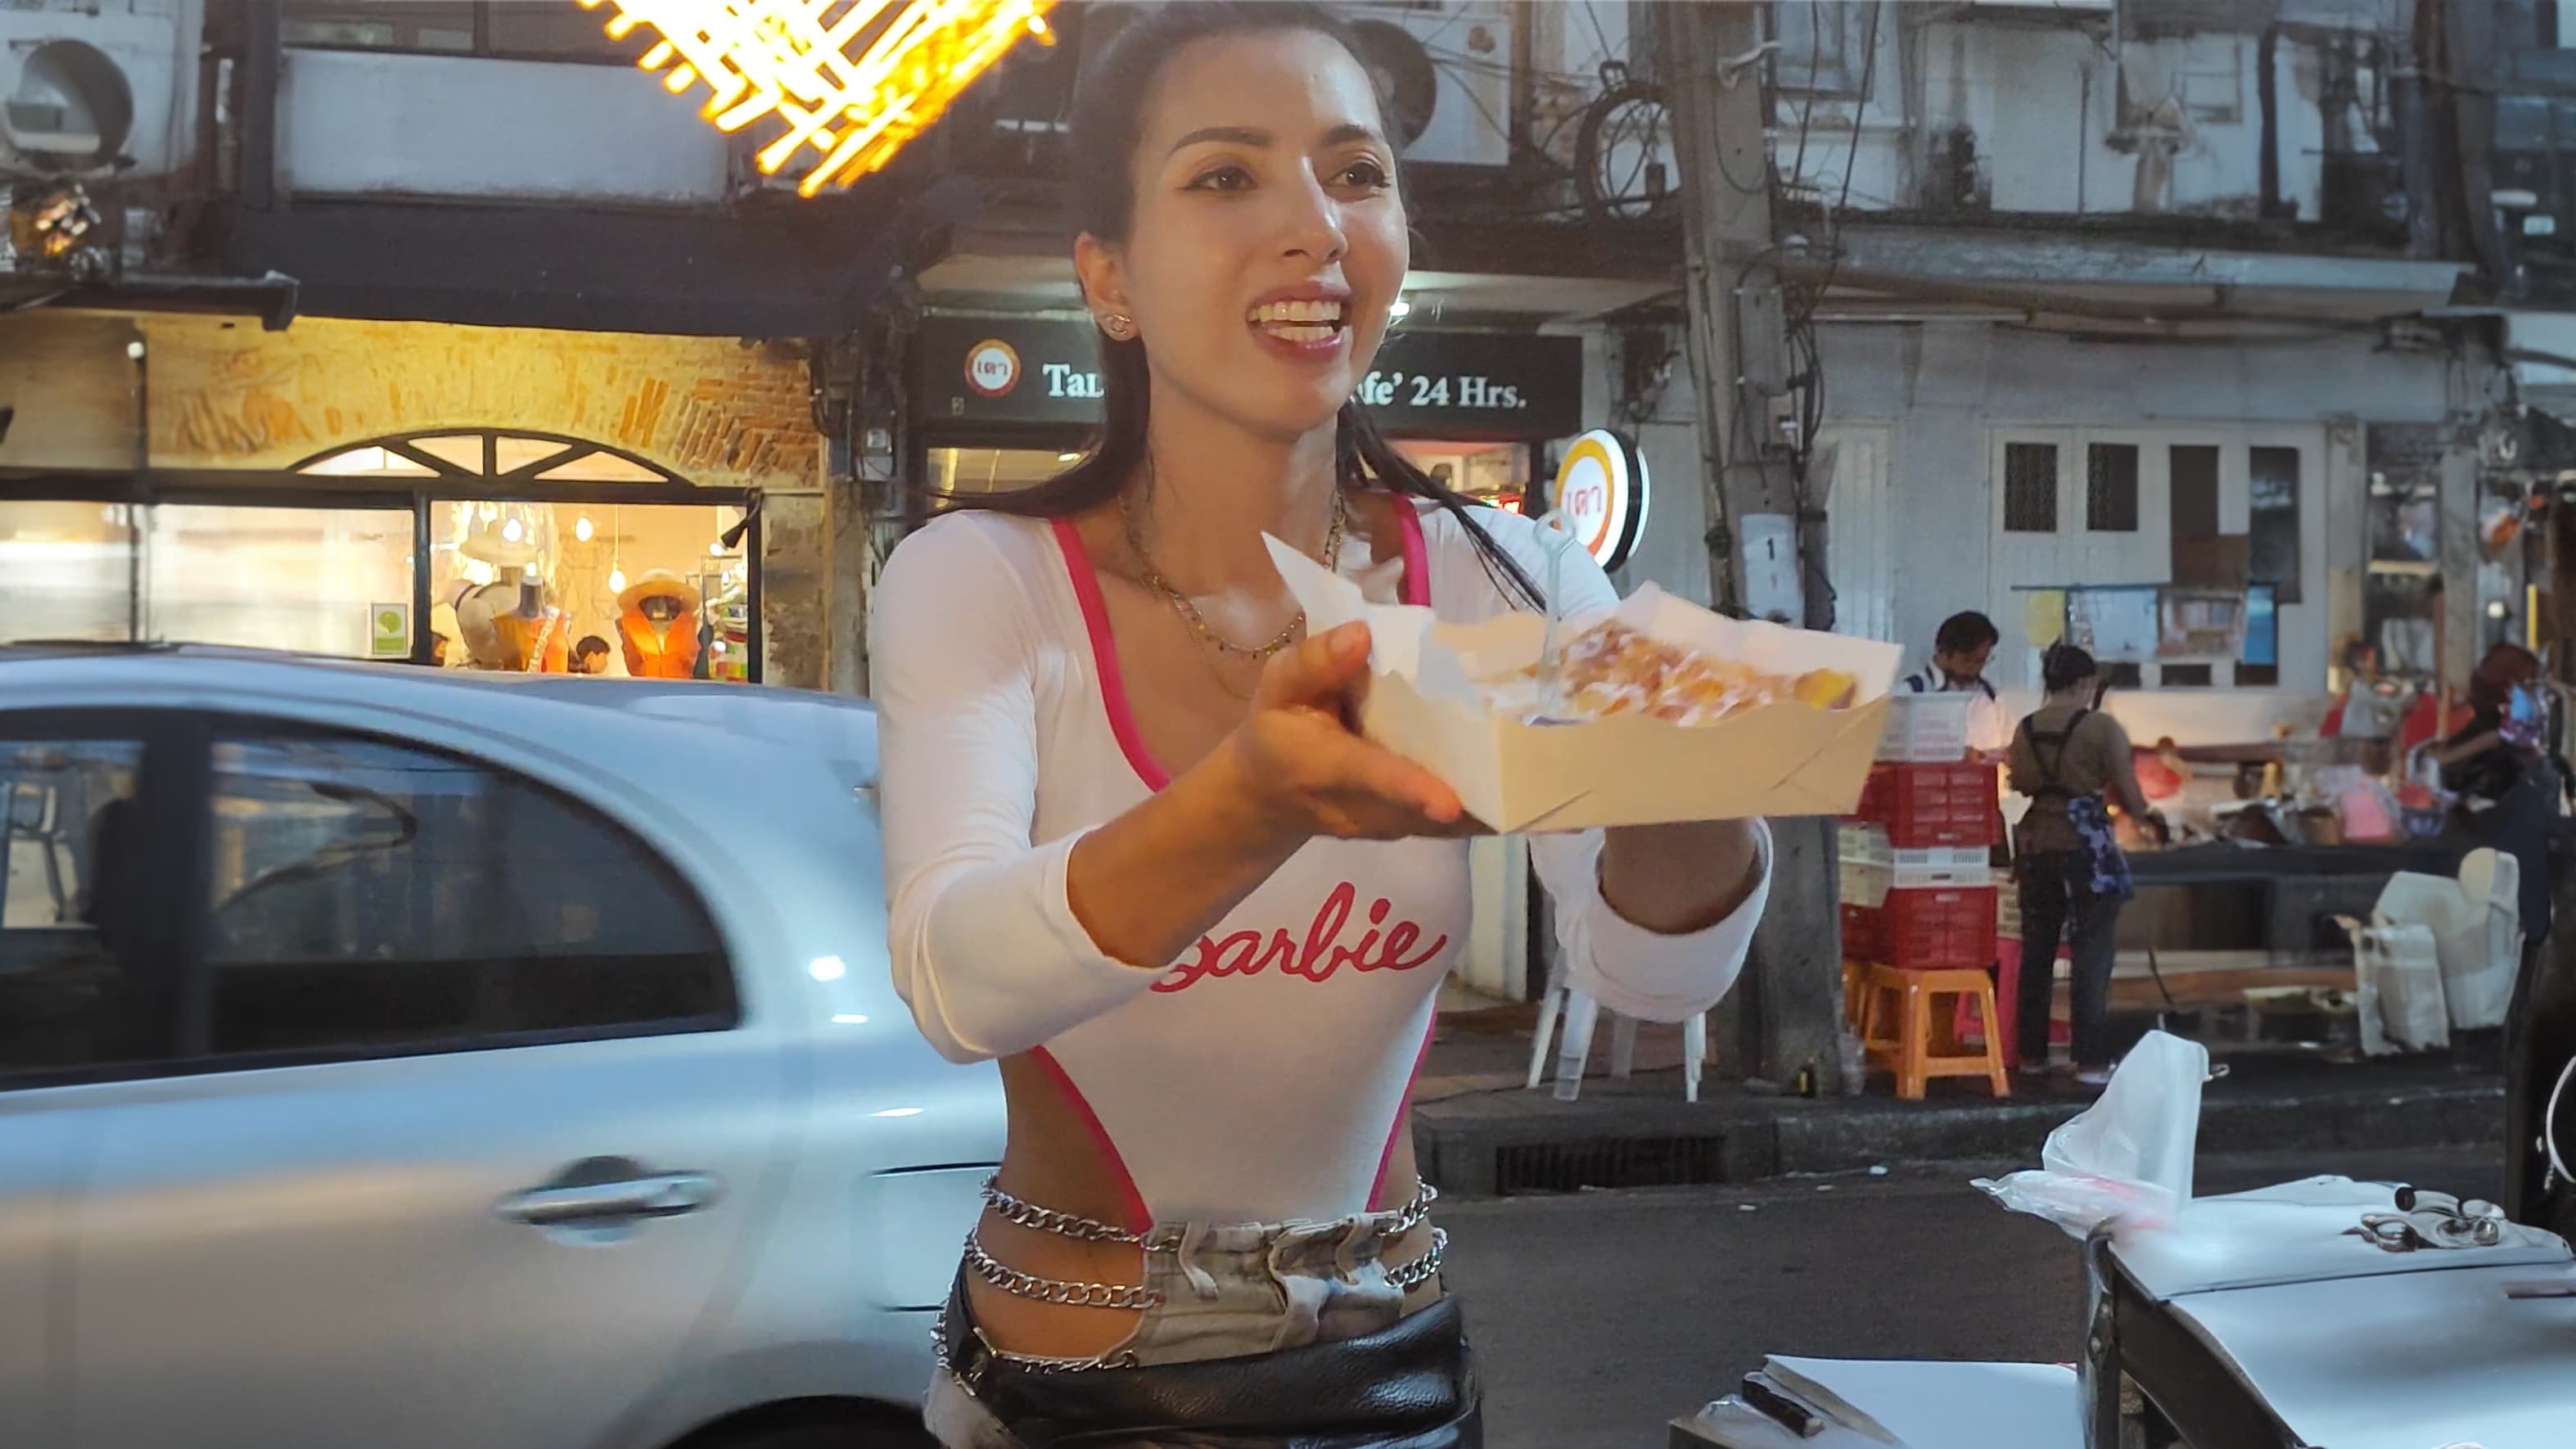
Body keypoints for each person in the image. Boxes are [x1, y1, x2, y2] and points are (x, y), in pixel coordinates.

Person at [868, 7, 1770, 1444]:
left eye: (1354, 174)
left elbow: (1645, 977)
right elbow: (952, 977)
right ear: (1107, 272)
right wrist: (1250, 798)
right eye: (1226, 178)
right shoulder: (979, 579)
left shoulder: (1512, 576)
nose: (1314, 226)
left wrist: (1709, 765)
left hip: (1396, 1361)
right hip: (1079, 1388)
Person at [2430, 643, 2568, 1224]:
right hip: (2503, 867)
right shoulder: (2497, 726)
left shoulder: (2541, 729)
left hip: (2537, 886)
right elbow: (2440, 763)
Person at [2008, 642, 2159, 1088]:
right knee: (2092, 951)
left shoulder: (2025, 728)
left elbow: (2019, 782)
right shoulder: (2101, 728)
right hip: (2087, 848)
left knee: (2037, 952)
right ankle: (2090, 1061)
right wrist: (2149, 819)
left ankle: (2031, 1056)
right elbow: (2131, 796)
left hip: (2036, 843)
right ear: (2083, 683)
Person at [1900, 610, 2013, 758]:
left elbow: (2009, 747)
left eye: (1982, 661)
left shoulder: (1992, 697)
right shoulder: (1908, 695)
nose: (1975, 668)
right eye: (1967, 660)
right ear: (1943, 652)